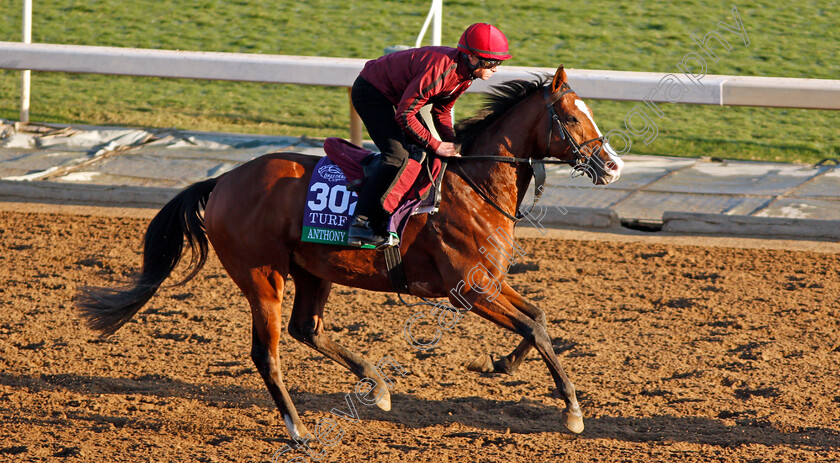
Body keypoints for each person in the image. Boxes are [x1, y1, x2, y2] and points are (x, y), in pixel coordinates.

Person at [347, 23, 513, 248]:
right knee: (397, 156)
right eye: (491, 61)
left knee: (425, 151)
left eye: (499, 62)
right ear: (472, 57)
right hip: (371, 92)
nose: (496, 68)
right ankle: (361, 223)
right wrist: (436, 144)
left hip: (398, 98)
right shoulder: (442, 71)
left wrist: (453, 143)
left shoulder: (465, 75)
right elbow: (405, 115)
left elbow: (442, 111)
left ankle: (403, 212)